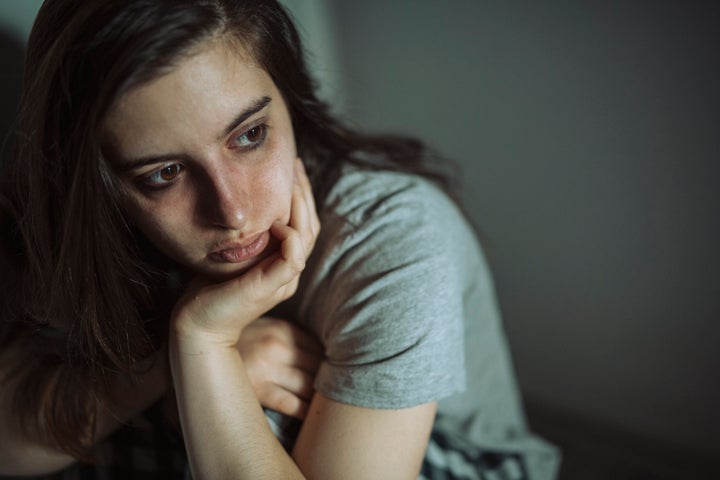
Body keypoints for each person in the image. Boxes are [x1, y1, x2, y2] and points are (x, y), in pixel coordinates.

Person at [0, 0, 559, 478]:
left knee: (260, 412)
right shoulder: (89, 232)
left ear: (291, 99)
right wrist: (180, 362)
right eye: (163, 175)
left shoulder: (393, 239)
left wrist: (202, 342)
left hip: (466, 461)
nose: (233, 211)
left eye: (250, 135)